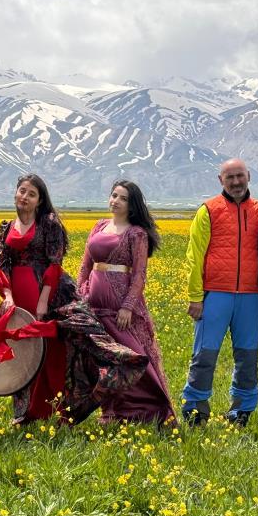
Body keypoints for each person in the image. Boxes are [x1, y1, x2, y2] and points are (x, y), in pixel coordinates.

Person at [0, 174, 147, 424]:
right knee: (23, 352)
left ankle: (54, 411)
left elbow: (54, 264)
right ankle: (24, 413)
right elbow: (2, 264)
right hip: (16, 296)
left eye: (32, 194)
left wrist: (43, 301)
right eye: (22, 191)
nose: (25, 197)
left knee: (51, 353)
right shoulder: (5, 227)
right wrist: (7, 296)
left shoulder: (49, 224)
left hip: (46, 292)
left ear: (40, 200)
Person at [79, 180, 175, 424]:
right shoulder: (99, 226)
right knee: (102, 359)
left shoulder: (137, 233)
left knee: (131, 356)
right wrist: (81, 295)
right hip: (94, 305)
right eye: (113, 195)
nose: (115, 201)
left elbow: (139, 274)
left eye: (122, 198)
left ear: (131, 206)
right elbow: (85, 265)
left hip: (120, 307)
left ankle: (145, 411)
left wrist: (128, 307)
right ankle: (110, 412)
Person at [181, 159, 258, 427]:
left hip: (250, 296)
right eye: (230, 177)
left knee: (247, 357)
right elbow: (195, 256)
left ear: (249, 176)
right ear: (221, 180)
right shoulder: (208, 210)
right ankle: (196, 408)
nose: (236, 182)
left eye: (240, 176)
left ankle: (241, 409)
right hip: (214, 295)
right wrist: (195, 296)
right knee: (204, 355)